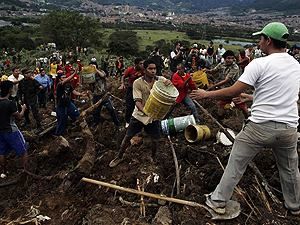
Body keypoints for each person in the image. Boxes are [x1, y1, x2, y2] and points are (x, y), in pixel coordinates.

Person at [190, 22, 300, 216]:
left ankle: (217, 201)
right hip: (288, 129)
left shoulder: (260, 63)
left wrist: (206, 95)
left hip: (260, 128)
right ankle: (294, 206)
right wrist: (250, 98)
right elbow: (282, 95)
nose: (259, 42)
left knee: (236, 164)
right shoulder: (295, 65)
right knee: (290, 169)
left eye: (261, 38)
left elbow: (234, 90)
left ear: (267, 40)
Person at [109, 59, 172, 168]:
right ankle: (119, 156)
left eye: (154, 69)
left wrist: (169, 83)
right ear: (145, 70)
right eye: (150, 69)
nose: (153, 71)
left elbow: (170, 88)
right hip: (139, 115)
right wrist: (146, 111)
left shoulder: (160, 80)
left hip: (153, 117)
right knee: (128, 136)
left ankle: (153, 157)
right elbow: (137, 102)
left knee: (155, 139)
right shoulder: (137, 83)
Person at [0, 81, 28, 175]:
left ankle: (3, 172)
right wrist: (23, 109)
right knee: (23, 150)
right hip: (11, 130)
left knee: (2, 152)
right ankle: (25, 171)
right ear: (9, 90)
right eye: (12, 88)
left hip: (1, 131)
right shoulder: (10, 103)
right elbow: (19, 117)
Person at [54, 69, 85, 136]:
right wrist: (74, 73)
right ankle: (58, 135)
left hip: (68, 103)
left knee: (76, 114)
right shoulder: (59, 84)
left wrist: (81, 94)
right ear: (59, 79)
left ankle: (77, 127)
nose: (65, 78)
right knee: (62, 120)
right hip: (61, 106)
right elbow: (66, 80)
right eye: (63, 77)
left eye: (65, 77)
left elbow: (73, 91)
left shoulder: (68, 84)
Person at [90, 64, 121, 130]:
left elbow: (103, 75)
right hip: (96, 96)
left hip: (104, 95)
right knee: (96, 111)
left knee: (111, 109)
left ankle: (117, 124)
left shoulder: (101, 71)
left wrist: (95, 69)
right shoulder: (91, 75)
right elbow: (89, 85)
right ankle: (96, 124)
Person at [119, 58, 144, 127]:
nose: (142, 65)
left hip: (140, 90)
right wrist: (122, 84)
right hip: (131, 89)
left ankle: (139, 121)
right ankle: (127, 121)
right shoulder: (130, 70)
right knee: (130, 106)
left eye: (142, 63)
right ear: (136, 64)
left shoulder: (143, 70)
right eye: (140, 64)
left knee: (140, 105)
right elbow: (123, 76)